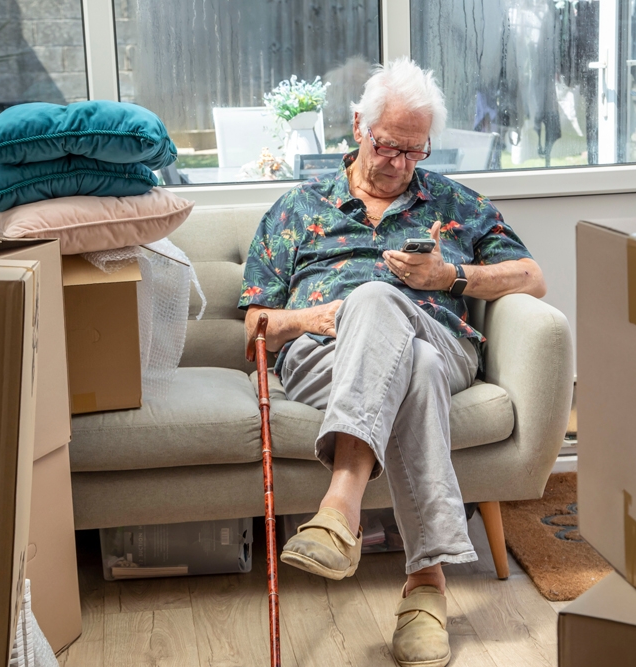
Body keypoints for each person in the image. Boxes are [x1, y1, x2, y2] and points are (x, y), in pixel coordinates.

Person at [238, 58, 546, 667]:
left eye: (414, 151)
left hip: (442, 334)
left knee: (383, 303)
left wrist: (451, 275)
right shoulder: (296, 210)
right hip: (323, 356)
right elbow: (255, 326)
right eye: (388, 146)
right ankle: (427, 589)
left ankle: (340, 506)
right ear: (358, 126)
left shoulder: (455, 203)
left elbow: (533, 277)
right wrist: (313, 318)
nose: (400, 164)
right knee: (416, 367)